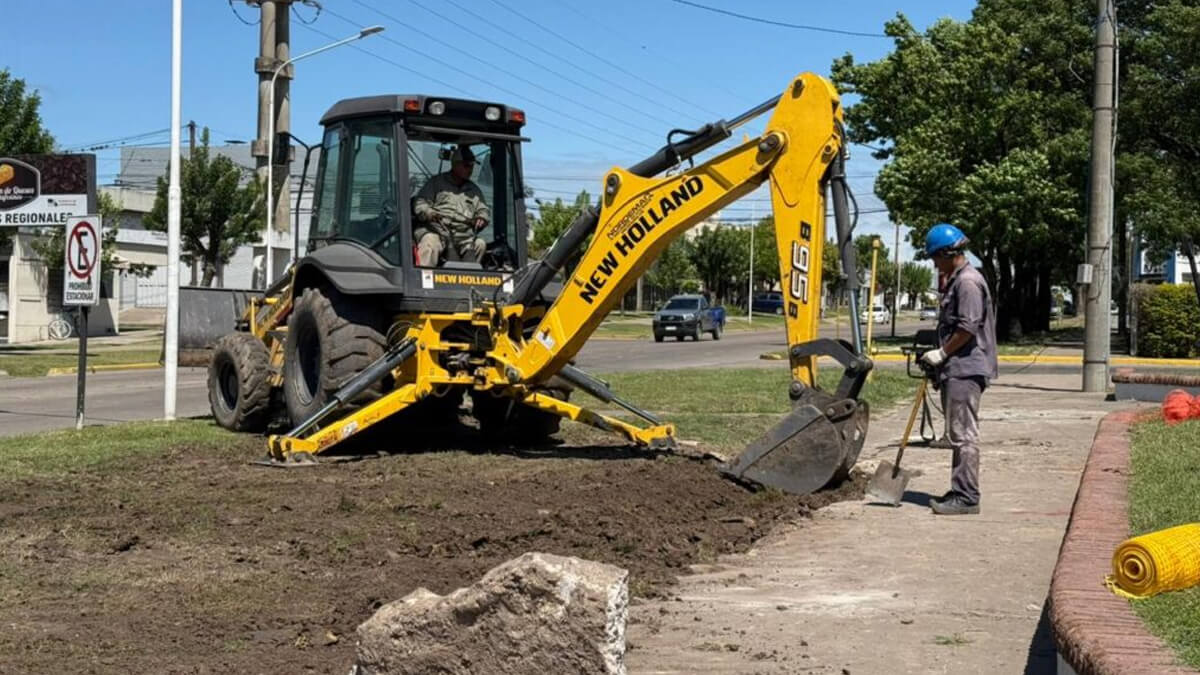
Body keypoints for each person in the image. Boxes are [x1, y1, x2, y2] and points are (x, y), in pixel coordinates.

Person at [920, 223, 998, 515]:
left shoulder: (967, 282)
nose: (933, 263)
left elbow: (967, 327)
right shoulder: (956, 280)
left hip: (966, 368)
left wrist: (942, 353)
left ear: (947, 253)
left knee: (963, 434)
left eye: (934, 257)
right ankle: (960, 488)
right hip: (957, 368)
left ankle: (966, 497)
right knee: (957, 433)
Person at [413, 145, 490, 266]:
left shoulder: (474, 190)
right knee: (430, 244)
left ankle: (470, 281)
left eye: (472, 166)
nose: (470, 169)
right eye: (466, 165)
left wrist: (482, 217)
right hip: (436, 230)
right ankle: (424, 280)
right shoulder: (436, 183)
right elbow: (420, 203)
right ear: (455, 165)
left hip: (464, 236)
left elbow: (483, 210)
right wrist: (429, 213)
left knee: (480, 244)